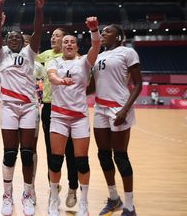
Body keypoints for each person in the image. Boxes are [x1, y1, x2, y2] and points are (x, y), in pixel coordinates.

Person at [0, 0, 46, 216]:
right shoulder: (0, 55)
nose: (13, 39)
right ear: (5, 41)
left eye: (17, 37)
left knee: (27, 152)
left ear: (22, 41)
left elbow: (38, 29)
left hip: (29, 107)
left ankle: (28, 193)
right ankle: (6, 195)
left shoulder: (29, 54)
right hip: (9, 109)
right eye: (9, 37)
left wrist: (39, 9)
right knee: (9, 152)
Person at [46, 17, 101, 216]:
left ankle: (84, 203)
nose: (68, 44)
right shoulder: (54, 61)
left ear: (77, 46)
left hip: (79, 117)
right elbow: (52, 76)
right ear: (61, 45)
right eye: (65, 42)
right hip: (59, 116)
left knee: (82, 162)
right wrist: (60, 81)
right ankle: (54, 199)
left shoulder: (85, 62)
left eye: (72, 42)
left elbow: (96, 45)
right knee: (55, 161)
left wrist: (94, 30)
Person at [92, 24, 142, 216]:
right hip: (100, 108)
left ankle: (129, 206)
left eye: (108, 31)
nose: (103, 33)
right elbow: (93, 86)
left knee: (120, 156)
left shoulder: (127, 53)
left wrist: (125, 110)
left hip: (119, 108)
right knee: (103, 155)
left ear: (119, 36)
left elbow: (138, 84)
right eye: (102, 31)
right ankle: (114, 198)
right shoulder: (97, 56)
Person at [35, 28, 79, 207]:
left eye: (57, 35)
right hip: (49, 107)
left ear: (67, 40)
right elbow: (29, 62)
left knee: (71, 151)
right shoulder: (45, 55)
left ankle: (73, 188)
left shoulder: (77, 59)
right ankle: (54, 187)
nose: (53, 38)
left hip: (70, 108)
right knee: (51, 151)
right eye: (52, 35)